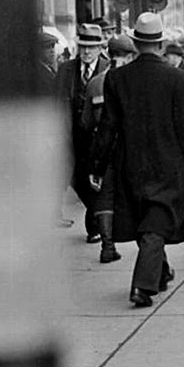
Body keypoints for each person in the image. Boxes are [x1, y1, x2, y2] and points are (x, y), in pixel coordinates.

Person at [91, 13, 184, 308]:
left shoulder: (117, 78)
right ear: (161, 43)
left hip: (131, 161)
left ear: (134, 42)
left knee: (146, 217)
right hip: (169, 163)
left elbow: (108, 126)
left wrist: (97, 165)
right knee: (156, 222)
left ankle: (161, 270)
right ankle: (143, 285)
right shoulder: (177, 78)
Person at [82, 34, 136, 263]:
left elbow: (86, 122)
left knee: (104, 196)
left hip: (103, 147)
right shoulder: (132, 81)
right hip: (130, 146)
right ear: (131, 55)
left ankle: (107, 245)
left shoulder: (95, 83)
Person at [56, 23, 110, 242]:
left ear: (100, 48)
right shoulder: (66, 70)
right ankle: (95, 218)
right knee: (77, 180)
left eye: (92, 47)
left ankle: (94, 225)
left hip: (97, 138)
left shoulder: (109, 70)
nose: (87, 52)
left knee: (96, 181)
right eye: (83, 47)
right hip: (72, 137)